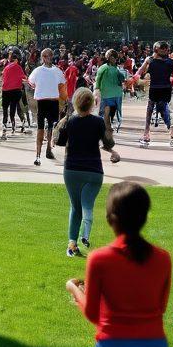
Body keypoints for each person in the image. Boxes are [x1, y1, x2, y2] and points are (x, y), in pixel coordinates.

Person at [66, 182, 172, 347]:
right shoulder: (163, 258)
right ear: (144, 217)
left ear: (109, 219)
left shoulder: (99, 259)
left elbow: (92, 314)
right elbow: (161, 307)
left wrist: (73, 288)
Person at [55, 87, 120, 258]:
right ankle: (85, 234)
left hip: (72, 169)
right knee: (87, 205)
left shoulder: (69, 121)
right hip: (93, 170)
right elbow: (108, 142)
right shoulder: (98, 122)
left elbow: (59, 141)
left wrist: (62, 123)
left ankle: (72, 244)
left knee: (75, 207)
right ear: (92, 103)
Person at [28, 47, 68, 166]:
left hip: (53, 101)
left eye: (49, 55)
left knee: (51, 126)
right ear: (42, 58)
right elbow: (31, 83)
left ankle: (48, 149)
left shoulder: (58, 71)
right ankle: (38, 155)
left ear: (52, 56)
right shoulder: (37, 70)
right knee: (40, 128)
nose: (47, 58)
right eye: (44, 56)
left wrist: (65, 100)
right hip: (42, 101)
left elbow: (62, 86)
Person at [134, 42, 173, 148]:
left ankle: (168, 128)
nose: (166, 50)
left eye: (167, 48)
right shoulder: (150, 60)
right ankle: (148, 133)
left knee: (157, 108)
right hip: (156, 88)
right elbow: (139, 72)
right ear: (156, 49)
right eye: (163, 49)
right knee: (154, 108)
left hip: (163, 88)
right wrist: (134, 79)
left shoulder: (170, 61)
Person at [93, 49, 124, 133]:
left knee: (111, 112)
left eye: (115, 58)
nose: (114, 59)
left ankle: (108, 125)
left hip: (114, 94)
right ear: (108, 58)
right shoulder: (103, 68)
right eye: (112, 58)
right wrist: (96, 91)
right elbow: (98, 80)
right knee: (103, 112)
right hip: (107, 95)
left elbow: (122, 79)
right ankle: (102, 127)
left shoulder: (116, 69)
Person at [0, 51, 26, 141]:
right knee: (13, 108)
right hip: (15, 90)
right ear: (15, 60)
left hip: (6, 90)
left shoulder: (6, 67)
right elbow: (24, 77)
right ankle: (13, 126)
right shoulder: (18, 67)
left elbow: (3, 78)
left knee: (5, 108)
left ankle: (4, 124)